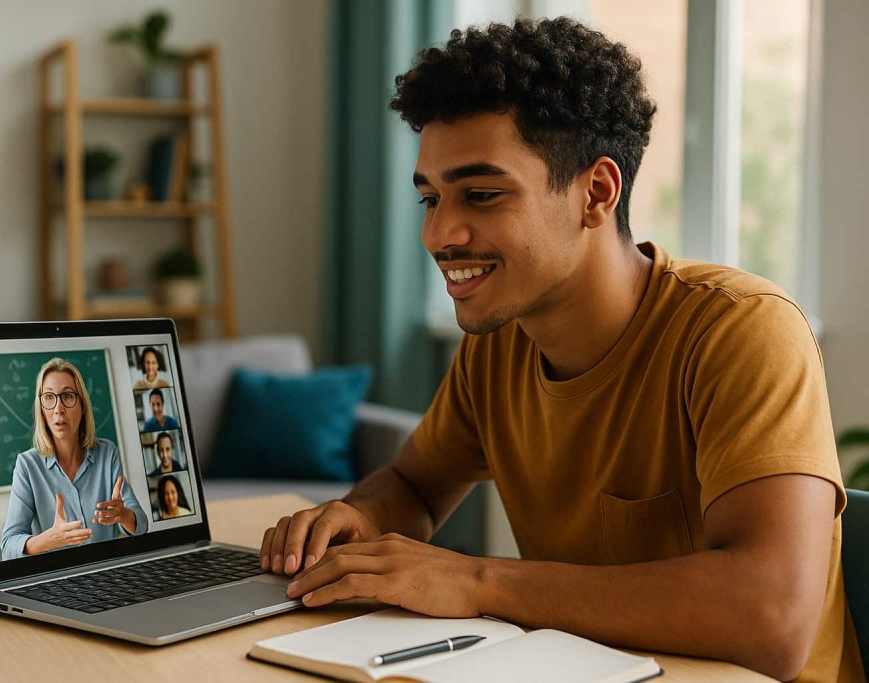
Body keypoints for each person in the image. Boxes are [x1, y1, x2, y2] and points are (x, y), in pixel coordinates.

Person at [260, 18, 861, 682]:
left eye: (482, 195)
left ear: (596, 193)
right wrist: (359, 518)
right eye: (431, 198)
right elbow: (413, 485)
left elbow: (773, 619)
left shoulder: (741, 331)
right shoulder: (502, 341)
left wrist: (481, 581)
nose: (438, 233)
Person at [1, 358, 148, 560]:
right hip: (55, 581)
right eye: (49, 397)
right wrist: (50, 539)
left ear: (82, 406)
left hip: (107, 575)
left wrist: (123, 515)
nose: (58, 409)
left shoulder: (107, 453)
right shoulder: (27, 465)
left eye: (68, 396)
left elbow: (141, 525)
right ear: (41, 409)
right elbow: (8, 546)